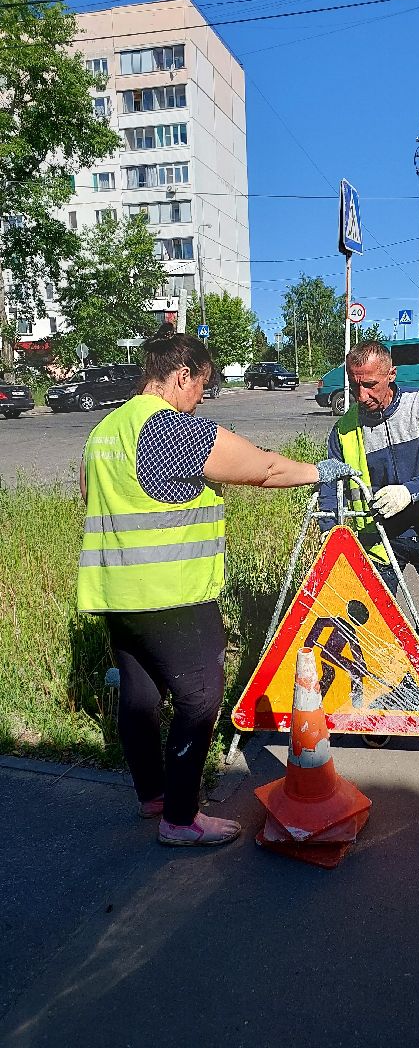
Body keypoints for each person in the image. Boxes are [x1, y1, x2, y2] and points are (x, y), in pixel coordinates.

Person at [77, 332, 357, 848]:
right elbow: (265, 468)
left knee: (139, 700)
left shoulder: (104, 433)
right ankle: (181, 819)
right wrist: (322, 471)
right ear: (181, 375)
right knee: (201, 699)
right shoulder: (170, 430)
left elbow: (89, 497)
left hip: (115, 593)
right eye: (200, 386)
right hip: (172, 595)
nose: (200, 399)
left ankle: (154, 796)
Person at [318, 340, 419, 655]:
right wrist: (329, 534)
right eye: (354, 385)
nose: (361, 396)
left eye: (370, 385)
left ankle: (412, 665)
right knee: (364, 619)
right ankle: (377, 678)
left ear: (391, 375)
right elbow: (331, 489)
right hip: (379, 539)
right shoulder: (344, 430)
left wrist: (410, 492)